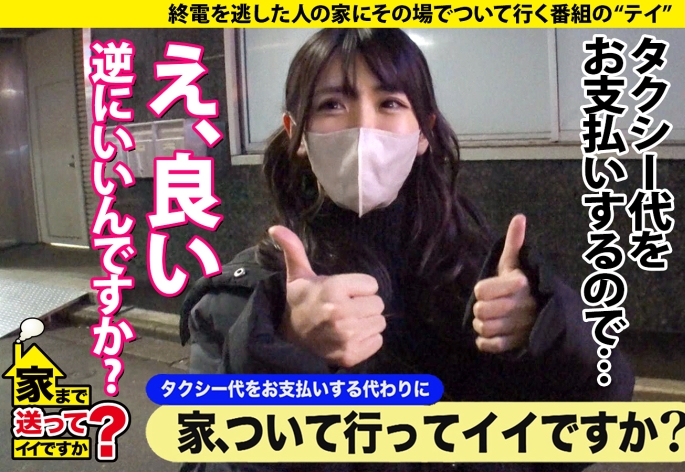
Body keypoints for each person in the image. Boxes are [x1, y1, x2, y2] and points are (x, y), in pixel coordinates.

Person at [180, 28, 634, 472]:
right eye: (331, 105)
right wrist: (285, 356)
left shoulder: (482, 277)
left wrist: (546, 334)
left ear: (423, 132)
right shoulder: (245, 303)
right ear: (295, 133)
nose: (363, 126)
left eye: (390, 103)